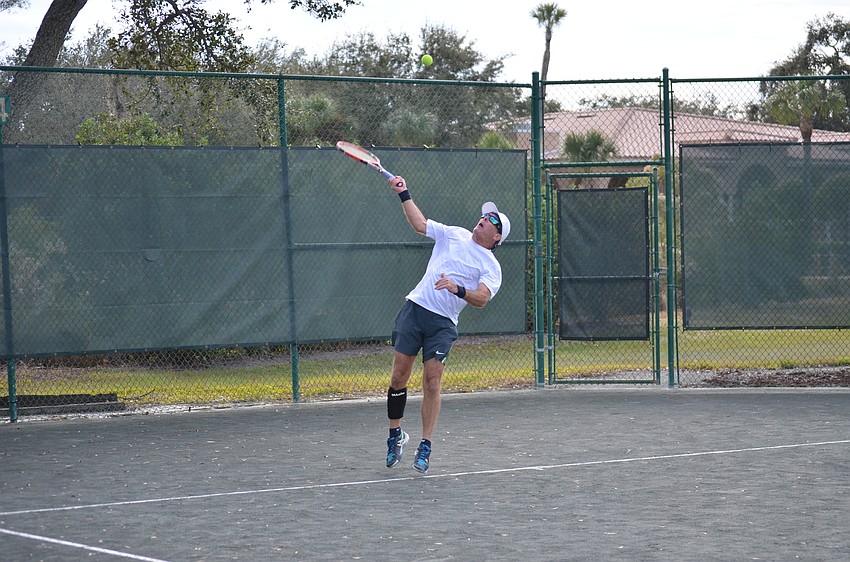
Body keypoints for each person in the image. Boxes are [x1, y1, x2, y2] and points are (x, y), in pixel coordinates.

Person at [384, 174, 510, 474]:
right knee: (399, 376)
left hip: (442, 324)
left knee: (432, 381)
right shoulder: (453, 234)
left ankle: (425, 444)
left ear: (497, 237)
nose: (483, 218)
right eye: (484, 215)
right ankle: (395, 435)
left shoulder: (492, 267)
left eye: (491, 219)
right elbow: (420, 224)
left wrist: (457, 289)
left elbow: (481, 298)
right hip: (415, 309)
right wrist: (404, 193)